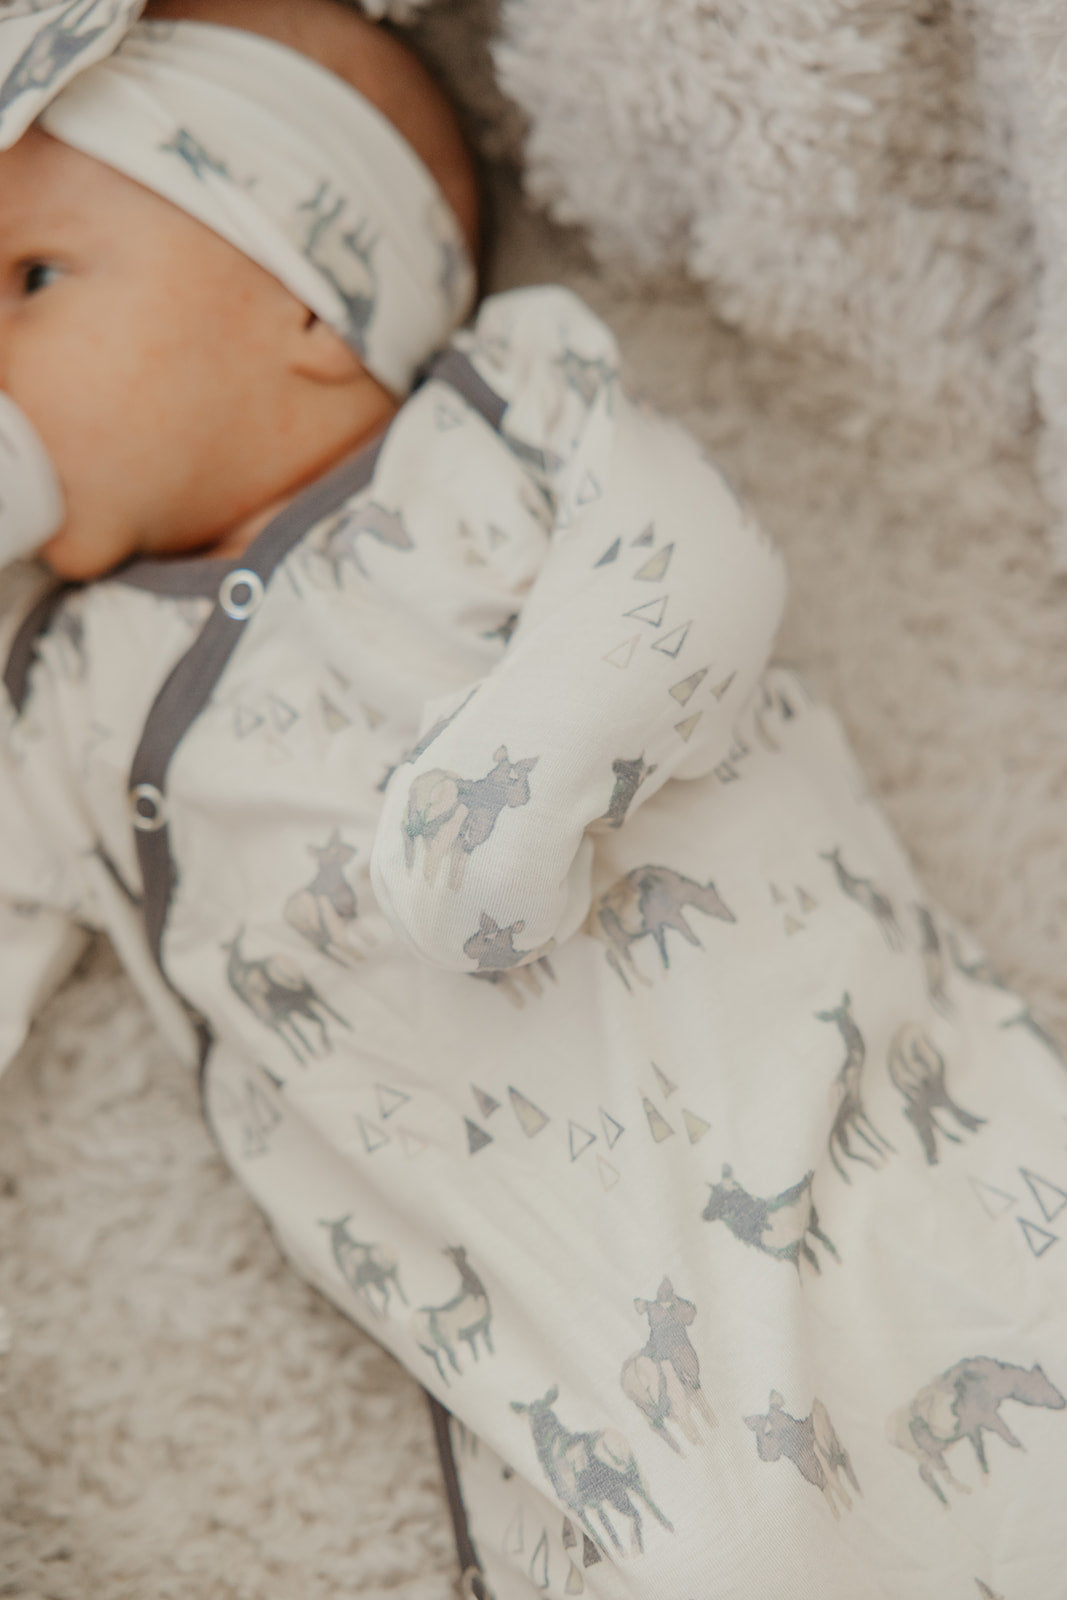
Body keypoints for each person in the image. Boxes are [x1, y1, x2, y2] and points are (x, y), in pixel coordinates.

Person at [2, 3, 1066, 1597]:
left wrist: (526, 782)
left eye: (32, 280)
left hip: (857, 1130)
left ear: (310, 298)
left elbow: (691, 559)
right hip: (584, 1381)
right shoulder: (65, 696)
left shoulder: (502, 414)